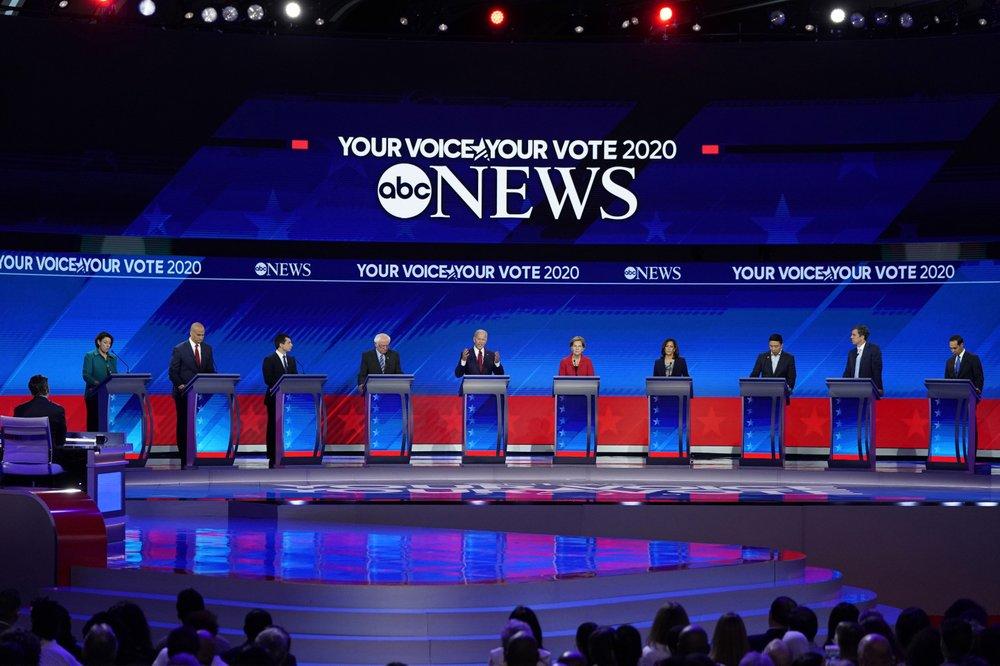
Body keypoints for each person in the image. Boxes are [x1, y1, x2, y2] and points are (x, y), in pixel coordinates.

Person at [169, 323, 217, 468]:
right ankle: (184, 459)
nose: (201, 337)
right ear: (191, 333)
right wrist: (180, 385)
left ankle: (198, 456)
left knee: (198, 426)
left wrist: (216, 379)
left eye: (203, 334)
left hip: (201, 396)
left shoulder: (208, 349)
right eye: (198, 334)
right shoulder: (179, 349)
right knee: (184, 425)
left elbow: (209, 370)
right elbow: (173, 372)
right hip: (183, 395)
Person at [262, 333, 298, 468]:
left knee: (287, 427)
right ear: (281, 344)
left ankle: (287, 452)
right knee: (273, 427)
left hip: (289, 400)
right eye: (289, 342)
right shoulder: (269, 360)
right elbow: (268, 380)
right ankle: (272, 455)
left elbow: (296, 379)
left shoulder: (292, 360)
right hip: (274, 399)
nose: (291, 345)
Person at [14, 375, 67, 449]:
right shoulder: (58, 410)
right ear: (47, 389)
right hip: (49, 457)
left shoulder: (19, 410)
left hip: (23, 455)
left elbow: (15, 439)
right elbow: (61, 442)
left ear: (31, 391)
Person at [82, 331, 118, 432]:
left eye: (109, 343)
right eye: (105, 342)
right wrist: (98, 384)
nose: (108, 345)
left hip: (109, 395)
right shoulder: (90, 356)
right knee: (94, 422)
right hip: (94, 394)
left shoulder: (113, 358)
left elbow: (114, 375)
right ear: (98, 342)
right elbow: (86, 375)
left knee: (108, 421)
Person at [749, 334, 796, 404]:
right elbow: (754, 374)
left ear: (781, 345)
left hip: (781, 397)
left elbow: (792, 377)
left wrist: (788, 389)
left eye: (776, 346)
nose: (773, 348)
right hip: (764, 395)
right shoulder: (762, 357)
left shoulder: (789, 358)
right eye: (771, 346)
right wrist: (750, 385)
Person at [842, 324, 883, 394]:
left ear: (862, 337)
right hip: (852, 390)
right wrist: (841, 386)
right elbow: (847, 372)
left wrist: (878, 388)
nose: (851, 337)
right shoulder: (851, 353)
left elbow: (877, 371)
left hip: (867, 389)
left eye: (854, 335)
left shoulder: (874, 350)